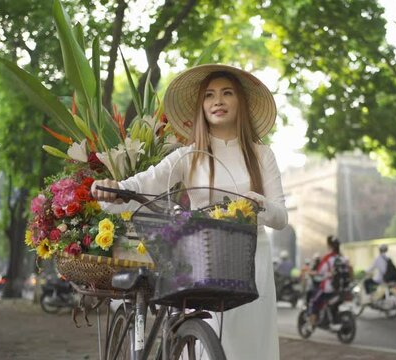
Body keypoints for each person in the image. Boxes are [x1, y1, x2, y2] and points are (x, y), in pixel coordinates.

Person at [91, 64, 287, 360]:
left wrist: (258, 203)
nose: (217, 101)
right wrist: (112, 188)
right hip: (200, 259)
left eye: (226, 93)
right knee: (201, 341)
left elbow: (281, 218)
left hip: (251, 260)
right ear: (201, 107)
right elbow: (143, 185)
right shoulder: (188, 156)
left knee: (248, 349)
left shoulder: (262, 154)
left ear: (241, 102)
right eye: (209, 95)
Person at [308, 236, 349, 328]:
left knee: (314, 302)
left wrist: (310, 272)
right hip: (342, 288)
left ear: (329, 246)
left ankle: (311, 325)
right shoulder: (343, 258)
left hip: (328, 288)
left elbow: (319, 272)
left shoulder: (327, 258)